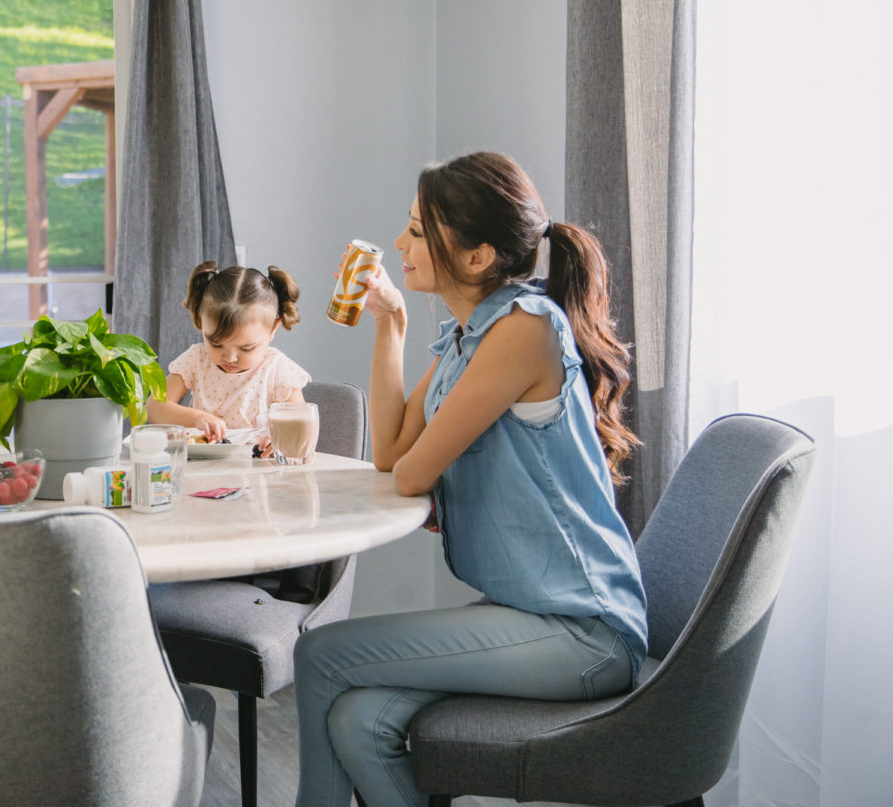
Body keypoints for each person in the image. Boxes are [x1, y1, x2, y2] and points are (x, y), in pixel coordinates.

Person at [293, 152, 648, 807]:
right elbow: (392, 455)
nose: (400, 243)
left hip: (584, 632)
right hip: (533, 617)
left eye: (419, 231)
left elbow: (414, 473)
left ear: (478, 255)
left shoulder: (522, 332)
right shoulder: (471, 333)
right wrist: (390, 324)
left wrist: (419, 467)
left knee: (320, 656)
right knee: (359, 721)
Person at [145, 261, 310, 447]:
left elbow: (302, 425)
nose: (230, 358)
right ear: (199, 320)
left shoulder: (277, 368)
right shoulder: (197, 359)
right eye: (216, 344)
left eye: (246, 348)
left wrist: (282, 442)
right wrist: (198, 418)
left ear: (273, 328)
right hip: (204, 470)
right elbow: (154, 407)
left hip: (259, 471)